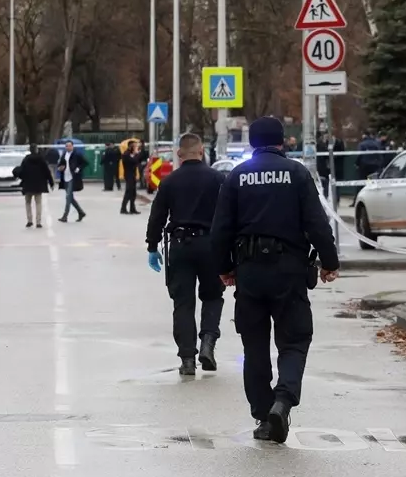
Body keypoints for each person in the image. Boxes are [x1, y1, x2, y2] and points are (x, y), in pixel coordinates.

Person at [210, 116, 340, 444]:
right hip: (290, 271)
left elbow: (221, 229)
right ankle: (283, 402)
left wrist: (225, 267)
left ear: (252, 143)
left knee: (254, 346)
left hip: (250, 273)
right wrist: (329, 261)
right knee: (294, 340)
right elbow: (317, 223)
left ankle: (262, 415)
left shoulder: (238, 175)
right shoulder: (296, 173)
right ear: (282, 141)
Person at [147, 133, 226, 376]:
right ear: (202, 152)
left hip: (180, 245)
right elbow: (228, 216)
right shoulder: (218, 179)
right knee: (213, 296)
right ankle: (208, 343)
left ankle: (188, 360)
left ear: (179, 154)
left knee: (183, 303)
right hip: (211, 245)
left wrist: (152, 246)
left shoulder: (169, 181)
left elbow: (157, 216)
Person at [15, 145, 54, 228]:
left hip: (28, 185)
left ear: (30, 150)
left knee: (28, 202)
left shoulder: (26, 159)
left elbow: (22, 171)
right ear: (36, 150)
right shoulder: (41, 159)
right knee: (38, 203)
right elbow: (47, 172)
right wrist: (51, 183)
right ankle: (38, 222)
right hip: (39, 185)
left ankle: (29, 220)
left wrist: (20, 176)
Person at [58, 141, 87, 223]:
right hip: (65, 178)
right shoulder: (64, 154)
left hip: (72, 178)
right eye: (66, 146)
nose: (68, 147)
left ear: (73, 146)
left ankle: (65, 216)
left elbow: (85, 163)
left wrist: (78, 169)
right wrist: (59, 167)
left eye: (69, 146)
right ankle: (81, 212)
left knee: (68, 197)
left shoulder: (77, 154)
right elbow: (60, 163)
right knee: (70, 198)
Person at [120, 140, 142, 215]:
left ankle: (132, 208)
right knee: (128, 191)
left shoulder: (132, 154)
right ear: (130, 146)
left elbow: (138, 160)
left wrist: (137, 154)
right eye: (134, 146)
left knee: (133, 193)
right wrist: (137, 154)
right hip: (128, 175)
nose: (136, 147)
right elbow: (134, 161)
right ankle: (123, 208)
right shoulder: (126, 154)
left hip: (133, 175)